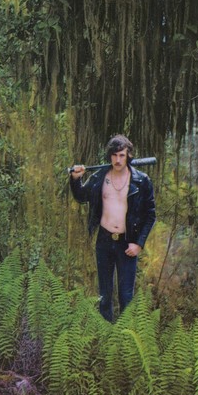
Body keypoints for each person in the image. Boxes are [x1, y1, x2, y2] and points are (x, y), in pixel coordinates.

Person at [69, 135, 156, 321]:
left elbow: (150, 215)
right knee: (104, 295)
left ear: (128, 155)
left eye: (122, 155)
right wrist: (76, 179)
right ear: (110, 156)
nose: (117, 160)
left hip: (127, 243)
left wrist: (139, 243)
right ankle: (105, 333)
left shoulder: (141, 181)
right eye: (114, 155)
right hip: (104, 241)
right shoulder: (100, 177)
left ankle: (124, 335)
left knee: (126, 296)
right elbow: (81, 196)